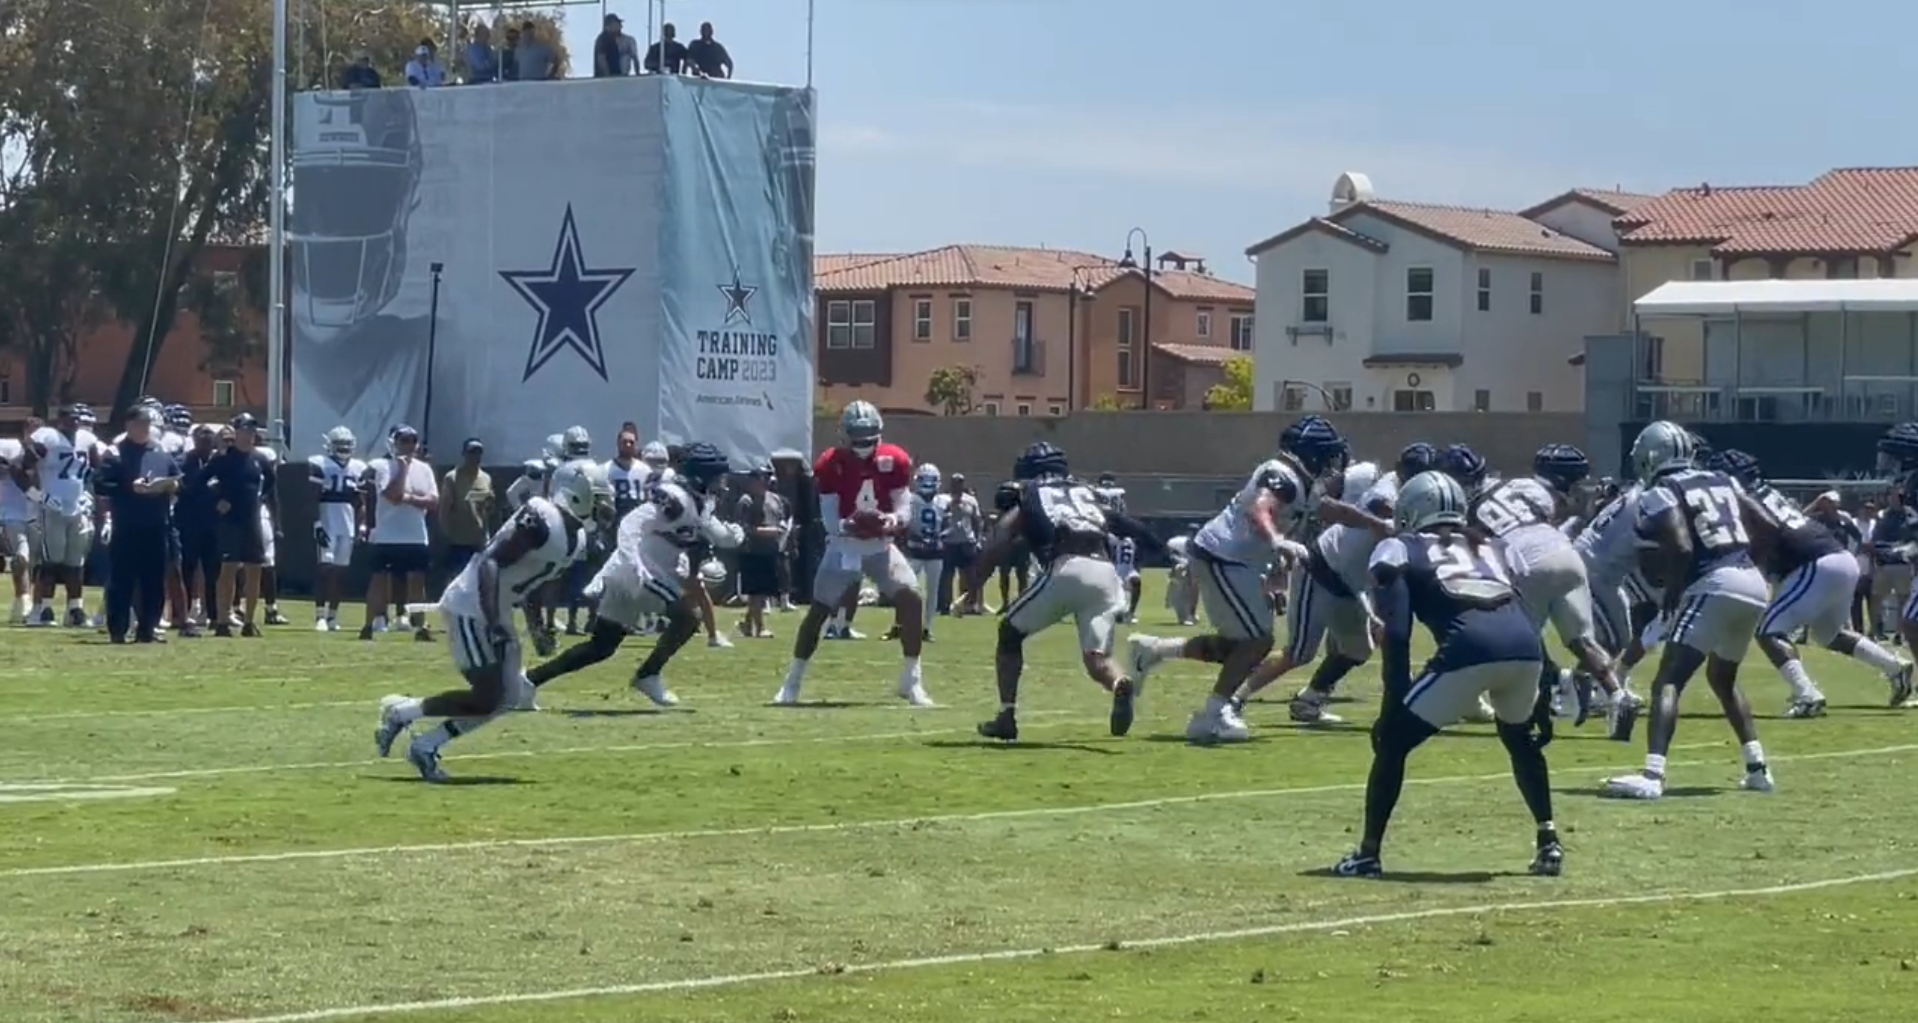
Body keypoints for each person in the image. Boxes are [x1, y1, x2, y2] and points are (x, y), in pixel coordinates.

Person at [1334, 470, 1561, 878]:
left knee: (1392, 743)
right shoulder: (1494, 546)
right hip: (1526, 651)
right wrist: (1543, 690)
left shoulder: (1397, 547)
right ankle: (1549, 842)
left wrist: (1393, 704)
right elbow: (1525, 615)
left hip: (1468, 650)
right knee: (1519, 739)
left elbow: (1398, 633)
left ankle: (1368, 854)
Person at [372, 460, 604, 783]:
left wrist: (536, 626)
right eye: (598, 496)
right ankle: (408, 722)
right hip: (472, 604)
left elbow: (529, 581)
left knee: (508, 696)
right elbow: (490, 565)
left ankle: (417, 733)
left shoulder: (574, 538)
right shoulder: (541, 518)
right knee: (487, 694)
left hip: (498, 608)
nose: (604, 504)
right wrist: (494, 622)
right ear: (576, 491)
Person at [1128, 415, 1347, 744]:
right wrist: (1276, 541)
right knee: (1257, 641)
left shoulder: (1301, 483)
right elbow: (1261, 510)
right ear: (1312, 452)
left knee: (1238, 646)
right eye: (1327, 453)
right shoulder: (1282, 475)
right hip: (1224, 557)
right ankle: (1213, 715)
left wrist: (1373, 524)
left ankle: (1154, 651)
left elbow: (1329, 511)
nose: (1332, 462)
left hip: (1236, 561)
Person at [1603, 421, 1774, 800]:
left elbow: (1680, 547)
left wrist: (1673, 592)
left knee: (1668, 680)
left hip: (1712, 582)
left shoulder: (1662, 491)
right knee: (1723, 679)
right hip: (1750, 581)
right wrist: (1752, 567)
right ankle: (1758, 768)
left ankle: (1652, 774)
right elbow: (1767, 524)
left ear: (1651, 456)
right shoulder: (1722, 479)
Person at [973, 442, 1161, 742]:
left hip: (1068, 567)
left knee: (1009, 633)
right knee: (1096, 658)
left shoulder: (1029, 493)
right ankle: (1119, 683)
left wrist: (975, 583)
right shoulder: (1086, 493)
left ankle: (1006, 715)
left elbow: (1001, 537)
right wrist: (1163, 552)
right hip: (1105, 573)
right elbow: (1130, 526)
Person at [527, 445, 740, 704]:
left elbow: (709, 527)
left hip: (634, 572)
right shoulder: (676, 498)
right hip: (639, 571)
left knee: (601, 647)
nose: (722, 481)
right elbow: (631, 523)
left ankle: (529, 680)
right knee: (687, 618)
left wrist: (731, 536)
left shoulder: (698, 502)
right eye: (717, 475)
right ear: (701, 477)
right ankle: (648, 674)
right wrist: (634, 560)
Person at [1716, 450, 1914, 710]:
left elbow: (1767, 533)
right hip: (1837, 558)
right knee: (1831, 635)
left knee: (1769, 631)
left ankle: (1806, 693)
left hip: (1815, 562)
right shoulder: (1768, 493)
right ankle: (1894, 667)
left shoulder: (1745, 499)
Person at [773, 401, 932, 706]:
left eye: (869, 435)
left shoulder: (894, 459)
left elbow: (903, 505)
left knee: (912, 599)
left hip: (880, 547)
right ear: (844, 434)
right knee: (818, 612)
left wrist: (892, 521)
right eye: (857, 436)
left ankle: (911, 680)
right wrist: (854, 524)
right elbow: (831, 520)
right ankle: (792, 682)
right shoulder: (830, 463)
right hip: (844, 547)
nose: (863, 443)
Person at [96, 406, 183, 643]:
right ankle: (118, 629)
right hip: (127, 525)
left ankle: (148, 628)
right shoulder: (116, 453)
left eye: (149, 423)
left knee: (153, 580)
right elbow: (101, 485)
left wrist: (170, 486)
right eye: (141, 423)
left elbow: (177, 478)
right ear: (129, 424)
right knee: (122, 579)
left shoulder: (160, 451)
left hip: (156, 524)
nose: (146, 428)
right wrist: (129, 487)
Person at [24, 404, 101, 627]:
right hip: (52, 507)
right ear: (60, 420)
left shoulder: (87, 439)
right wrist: (38, 496)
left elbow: (98, 470)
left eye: (77, 419)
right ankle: (43, 608)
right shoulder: (47, 438)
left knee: (76, 562)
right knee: (51, 561)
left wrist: (89, 492)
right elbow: (22, 468)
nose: (74, 423)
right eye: (70, 419)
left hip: (78, 507)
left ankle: (74, 609)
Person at [201, 414, 277, 637]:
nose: (249, 435)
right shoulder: (223, 458)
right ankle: (222, 619)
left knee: (255, 570)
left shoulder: (260, 459)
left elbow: (271, 483)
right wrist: (217, 500)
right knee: (228, 569)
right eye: (245, 430)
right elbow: (201, 481)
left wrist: (260, 499)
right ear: (236, 432)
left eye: (252, 431)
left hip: (252, 520)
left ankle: (250, 621)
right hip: (230, 522)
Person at [362, 425, 439, 641]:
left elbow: (433, 501)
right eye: (404, 440)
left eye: (412, 440)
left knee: (417, 581)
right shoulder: (384, 467)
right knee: (379, 580)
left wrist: (409, 499)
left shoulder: (425, 469)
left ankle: (420, 626)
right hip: (388, 535)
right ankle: (371, 624)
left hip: (415, 535)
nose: (409, 445)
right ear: (394, 443)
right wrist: (403, 469)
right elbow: (392, 494)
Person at [309, 426, 368, 631]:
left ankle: (333, 616)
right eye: (339, 445)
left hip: (348, 521)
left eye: (346, 445)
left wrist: (361, 525)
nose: (343, 448)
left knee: (341, 571)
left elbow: (360, 500)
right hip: (328, 519)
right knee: (325, 569)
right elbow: (312, 497)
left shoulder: (358, 467)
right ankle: (320, 616)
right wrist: (317, 524)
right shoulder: (320, 464)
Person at [734, 460, 787, 639]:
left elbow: (781, 519)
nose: (765, 481)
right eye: (761, 478)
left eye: (767, 477)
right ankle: (760, 628)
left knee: (763, 592)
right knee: (755, 592)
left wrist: (781, 531)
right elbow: (744, 528)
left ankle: (747, 624)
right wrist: (768, 532)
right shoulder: (746, 501)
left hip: (771, 550)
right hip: (752, 552)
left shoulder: (775, 499)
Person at [439, 438, 495, 585]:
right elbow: (444, 507)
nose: (475, 456)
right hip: (458, 538)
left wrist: (488, 504)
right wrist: (446, 532)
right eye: (471, 452)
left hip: (480, 538)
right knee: (457, 575)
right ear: (464, 454)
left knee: (478, 577)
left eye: (478, 452)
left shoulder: (486, 478)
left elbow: (490, 505)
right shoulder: (452, 477)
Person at [0, 420, 37, 623]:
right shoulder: (9, 447)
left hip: (38, 512)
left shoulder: (48, 453)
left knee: (36, 561)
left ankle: (31, 604)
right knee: (21, 557)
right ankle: (23, 601)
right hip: (11, 511)